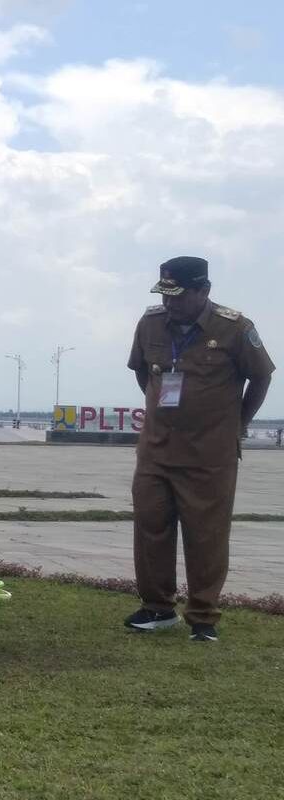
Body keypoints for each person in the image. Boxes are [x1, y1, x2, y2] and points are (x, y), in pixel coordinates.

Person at [125, 256, 273, 642]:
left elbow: (260, 377)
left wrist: (238, 423)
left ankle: (203, 617)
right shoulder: (151, 322)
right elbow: (144, 373)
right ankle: (157, 607)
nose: (170, 302)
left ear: (203, 291)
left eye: (178, 295)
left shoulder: (235, 328)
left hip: (210, 454)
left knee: (206, 535)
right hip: (157, 449)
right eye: (165, 294)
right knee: (151, 525)